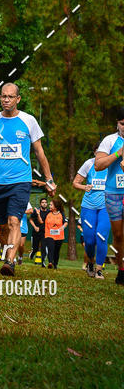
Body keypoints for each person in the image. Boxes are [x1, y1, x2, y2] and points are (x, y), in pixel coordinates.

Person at [0, 82, 55, 276]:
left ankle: (10, 262)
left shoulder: (29, 121)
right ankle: (7, 256)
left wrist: (49, 179)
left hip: (20, 181)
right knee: (3, 226)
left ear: (18, 99)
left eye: (10, 96)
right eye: (3, 96)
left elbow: (39, 151)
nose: (6, 100)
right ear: (0, 98)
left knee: (14, 221)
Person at [94, 108, 124, 286]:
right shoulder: (110, 140)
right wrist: (118, 153)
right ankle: (121, 269)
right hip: (113, 194)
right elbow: (98, 165)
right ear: (117, 124)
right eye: (122, 124)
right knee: (118, 235)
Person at [73, 145, 110, 278]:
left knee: (101, 236)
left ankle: (99, 269)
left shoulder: (113, 165)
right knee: (89, 240)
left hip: (106, 206)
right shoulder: (88, 164)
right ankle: (90, 262)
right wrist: (84, 187)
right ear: (95, 153)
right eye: (100, 152)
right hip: (88, 206)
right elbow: (75, 183)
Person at [44, 198, 65, 269]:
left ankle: (55, 264)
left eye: (51, 205)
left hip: (59, 236)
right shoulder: (47, 213)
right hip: (49, 234)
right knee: (51, 248)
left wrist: (62, 227)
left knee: (56, 251)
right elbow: (41, 220)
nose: (49, 206)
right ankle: (50, 262)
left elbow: (65, 222)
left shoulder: (61, 214)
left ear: (55, 206)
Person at [29, 197, 49, 266]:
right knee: (35, 248)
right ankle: (32, 253)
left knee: (43, 247)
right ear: (40, 204)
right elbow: (31, 220)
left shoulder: (49, 212)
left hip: (44, 232)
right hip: (36, 231)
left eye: (45, 202)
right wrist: (35, 227)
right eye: (43, 202)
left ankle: (43, 262)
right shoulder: (36, 211)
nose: (44, 204)